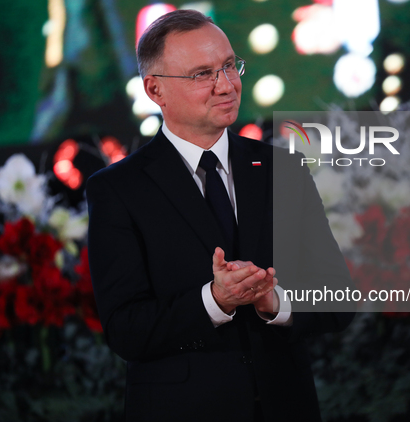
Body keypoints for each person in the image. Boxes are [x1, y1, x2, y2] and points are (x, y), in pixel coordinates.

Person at [86, 9, 353, 422]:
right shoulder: (118, 190)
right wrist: (214, 300)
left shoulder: (283, 170)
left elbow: (338, 297)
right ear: (155, 90)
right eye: (202, 74)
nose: (226, 85)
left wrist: (274, 302)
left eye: (229, 66)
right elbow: (126, 329)